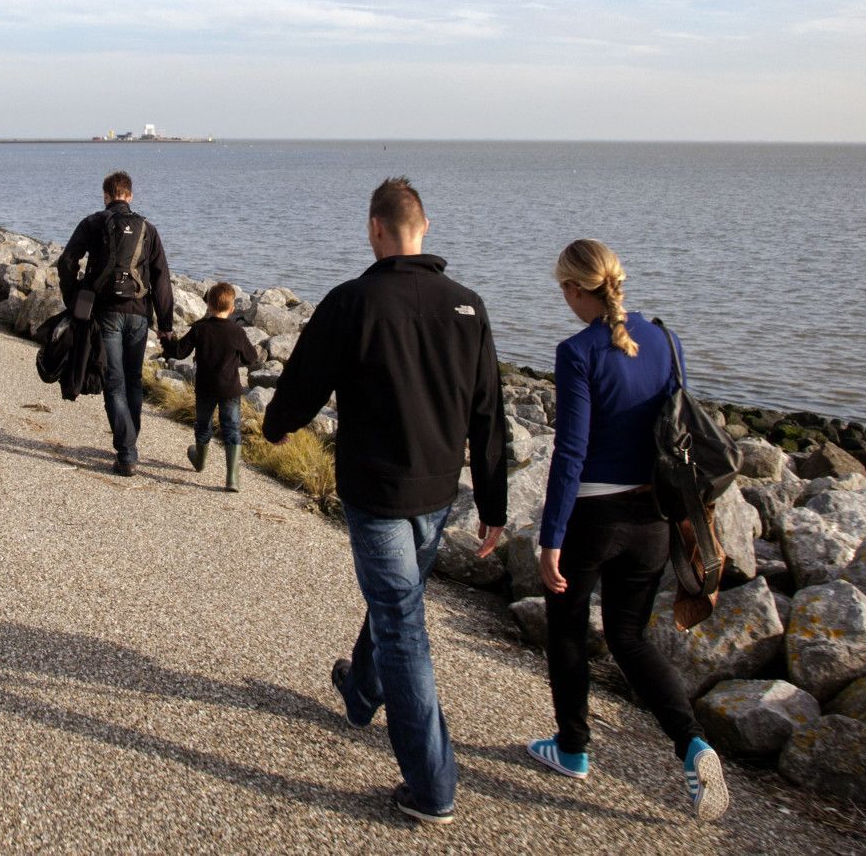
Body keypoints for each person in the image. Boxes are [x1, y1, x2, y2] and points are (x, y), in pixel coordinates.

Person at [262, 177, 507, 825]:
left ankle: (433, 788)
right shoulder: (468, 307)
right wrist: (494, 501)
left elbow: (305, 378)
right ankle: (362, 689)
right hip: (437, 489)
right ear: (423, 228)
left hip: (375, 492)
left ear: (376, 230)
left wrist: (277, 422)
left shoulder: (353, 301)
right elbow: (489, 413)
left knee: (401, 624)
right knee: (398, 602)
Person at [500, 238, 729, 821]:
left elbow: (571, 451)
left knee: (569, 628)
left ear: (578, 290)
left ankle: (573, 748)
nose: (564, 301)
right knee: (630, 639)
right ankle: (692, 743)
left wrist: (551, 536)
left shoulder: (577, 351)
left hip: (594, 519)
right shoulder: (667, 341)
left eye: (563, 291)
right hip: (654, 518)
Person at [55, 170, 174, 477]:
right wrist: (165, 323)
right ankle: (129, 441)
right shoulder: (148, 229)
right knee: (133, 380)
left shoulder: (93, 223)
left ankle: (127, 450)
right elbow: (162, 279)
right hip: (139, 314)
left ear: (106, 196)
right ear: (130, 196)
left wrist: (75, 296)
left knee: (114, 381)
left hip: (105, 311)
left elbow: (67, 261)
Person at [162, 282, 258, 491]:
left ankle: (199, 460)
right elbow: (252, 358)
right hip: (230, 389)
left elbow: (179, 352)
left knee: (203, 425)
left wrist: (166, 341)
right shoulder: (237, 331)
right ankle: (232, 478)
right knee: (232, 428)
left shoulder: (200, 328)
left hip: (205, 388)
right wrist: (237, 358)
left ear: (208, 305)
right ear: (232, 308)